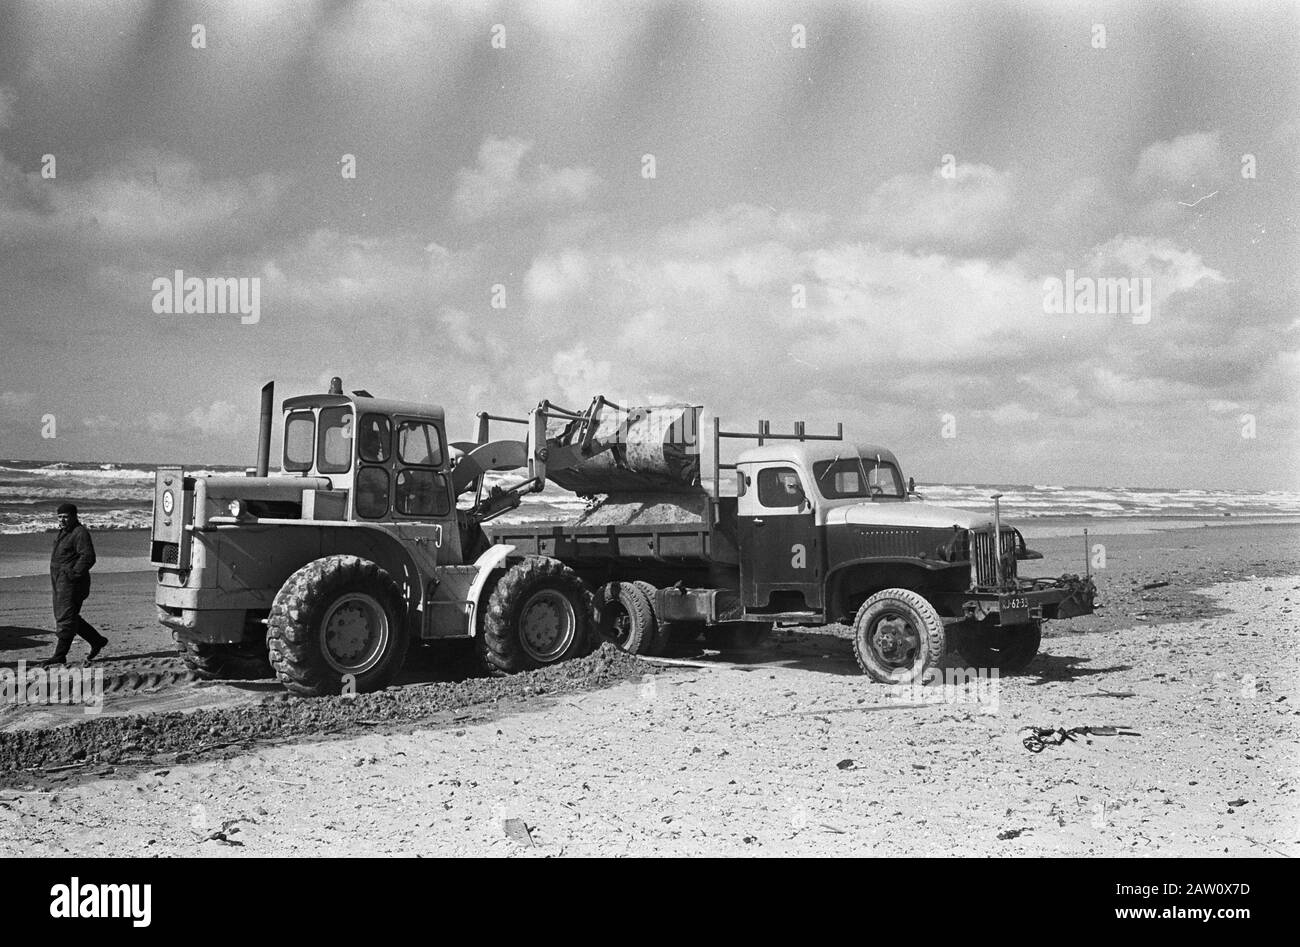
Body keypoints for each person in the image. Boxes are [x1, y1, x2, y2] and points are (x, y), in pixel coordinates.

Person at [44, 502, 107, 665]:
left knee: (66, 617)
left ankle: (60, 655)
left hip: (72, 583)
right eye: (59, 517)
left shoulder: (80, 533)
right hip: (60, 581)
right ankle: (97, 640)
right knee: (69, 616)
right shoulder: (64, 532)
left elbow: (88, 556)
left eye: (65, 517)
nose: (62, 520)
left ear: (74, 516)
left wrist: (73, 574)